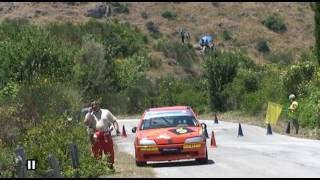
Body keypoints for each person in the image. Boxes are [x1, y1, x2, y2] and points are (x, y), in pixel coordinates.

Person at [84, 100, 121, 168]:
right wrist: (89, 112)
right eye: (92, 105)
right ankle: (98, 167)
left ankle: (110, 166)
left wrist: (117, 130)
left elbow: (114, 121)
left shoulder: (106, 112)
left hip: (106, 134)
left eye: (96, 105)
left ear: (99, 105)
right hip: (95, 135)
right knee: (96, 152)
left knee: (109, 151)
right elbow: (86, 123)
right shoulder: (90, 114)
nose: (94, 106)